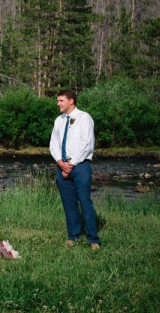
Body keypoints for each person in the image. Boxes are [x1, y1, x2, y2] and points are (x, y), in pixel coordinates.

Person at [49, 89, 100, 249]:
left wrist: (70, 164)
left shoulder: (84, 118)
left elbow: (87, 144)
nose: (58, 104)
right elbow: (54, 144)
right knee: (69, 204)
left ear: (71, 101)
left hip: (80, 167)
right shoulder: (59, 120)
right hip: (62, 167)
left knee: (85, 202)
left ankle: (93, 239)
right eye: (58, 101)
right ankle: (73, 236)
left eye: (61, 100)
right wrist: (60, 162)